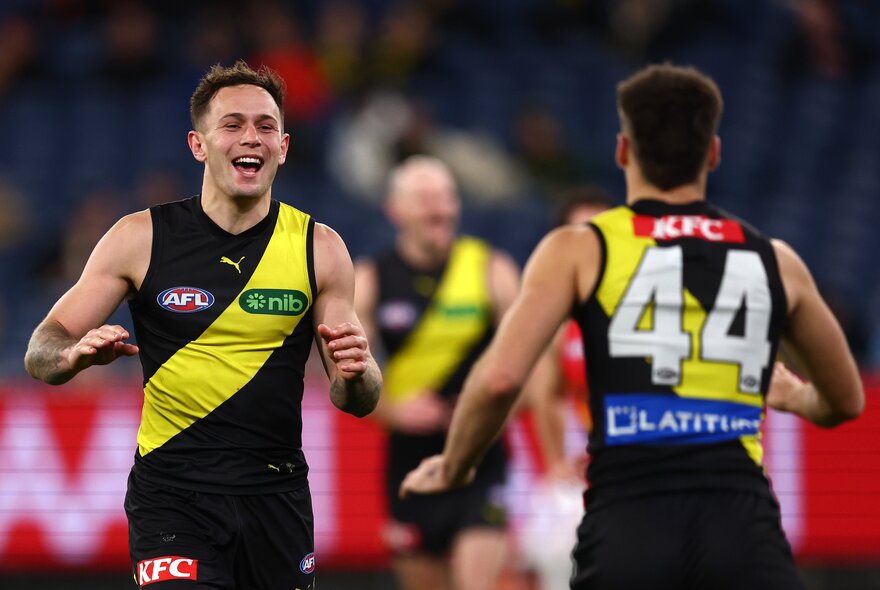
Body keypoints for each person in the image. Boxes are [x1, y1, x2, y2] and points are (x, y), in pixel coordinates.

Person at [400, 63, 865, 590]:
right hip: (742, 524)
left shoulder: (580, 249)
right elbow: (846, 399)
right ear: (712, 153)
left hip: (629, 517)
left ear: (624, 151)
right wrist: (797, 398)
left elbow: (501, 380)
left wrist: (454, 467)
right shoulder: (773, 259)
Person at [24, 60, 381, 590]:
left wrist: (359, 372)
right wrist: (72, 356)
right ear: (199, 144)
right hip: (172, 497)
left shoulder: (320, 249)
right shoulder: (139, 238)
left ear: (283, 148)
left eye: (266, 126)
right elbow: (41, 351)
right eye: (232, 124)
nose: (251, 137)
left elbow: (358, 398)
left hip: (276, 500)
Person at [353, 155, 521, 590]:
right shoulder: (371, 279)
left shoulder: (493, 270)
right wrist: (392, 411)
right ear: (396, 210)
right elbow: (346, 377)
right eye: (426, 199)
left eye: (447, 198)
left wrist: (491, 405)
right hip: (409, 461)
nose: (440, 209)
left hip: (480, 458)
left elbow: (530, 365)